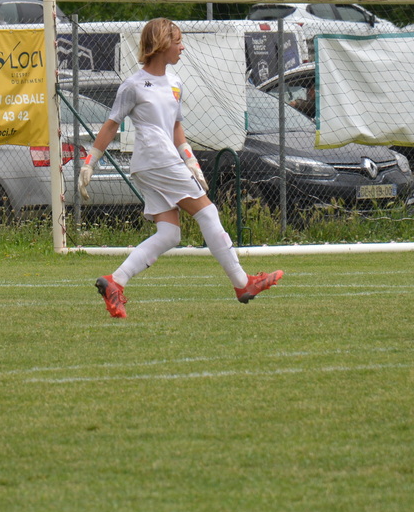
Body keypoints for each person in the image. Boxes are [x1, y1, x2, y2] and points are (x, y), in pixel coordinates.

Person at [79, 18, 283, 318]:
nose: (182, 47)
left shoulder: (175, 83)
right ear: (161, 43)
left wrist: (191, 162)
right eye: (177, 41)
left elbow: (176, 127)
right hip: (156, 160)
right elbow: (112, 124)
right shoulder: (133, 85)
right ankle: (243, 284)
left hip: (154, 164)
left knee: (170, 235)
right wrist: (90, 162)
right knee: (208, 213)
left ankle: (115, 281)